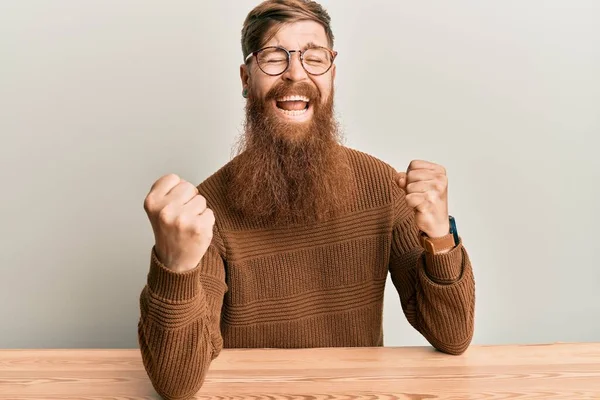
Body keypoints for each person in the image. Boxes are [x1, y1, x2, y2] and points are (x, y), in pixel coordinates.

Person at [138, 0, 475, 398]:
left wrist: (439, 236)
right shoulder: (208, 210)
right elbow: (176, 384)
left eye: (314, 58)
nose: (296, 73)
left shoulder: (384, 187)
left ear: (332, 74)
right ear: (246, 79)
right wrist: (175, 266)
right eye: (274, 58)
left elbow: (452, 337)